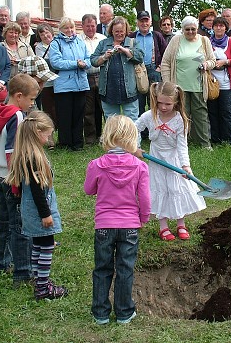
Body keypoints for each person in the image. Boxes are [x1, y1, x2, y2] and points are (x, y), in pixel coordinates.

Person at [84, 114, 151, 325]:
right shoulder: (140, 166)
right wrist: (144, 218)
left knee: (102, 268)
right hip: (130, 226)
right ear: (133, 138)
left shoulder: (96, 164)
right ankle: (124, 312)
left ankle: (100, 313)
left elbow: (88, 190)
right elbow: (145, 198)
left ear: (107, 135)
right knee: (125, 268)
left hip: (104, 225)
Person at [0, 74, 40, 288]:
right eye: (32, 99)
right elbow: (12, 152)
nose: (32, 103)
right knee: (20, 226)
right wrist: (18, 182)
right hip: (13, 178)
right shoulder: (17, 117)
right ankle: (23, 272)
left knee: (1, 222)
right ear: (18, 96)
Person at [6, 110, 67, 300]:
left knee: (38, 244)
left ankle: (38, 278)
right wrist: (46, 214)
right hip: (39, 210)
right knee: (46, 245)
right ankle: (43, 288)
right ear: (37, 133)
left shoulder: (27, 154)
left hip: (29, 210)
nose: (49, 137)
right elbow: (38, 191)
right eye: (47, 134)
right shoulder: (34, 159)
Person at [135, 81, 206, 240]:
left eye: (168, 103)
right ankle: (163, 226)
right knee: (160, 188)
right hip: (156, 158)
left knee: (176, 189)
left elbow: (182, 146)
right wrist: (136, 148)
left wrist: (185, 165)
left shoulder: (180, 120)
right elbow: (134, 128)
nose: (163, 107)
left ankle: (181, 223)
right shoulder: (149, 116)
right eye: (160, 102)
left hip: (173, 160)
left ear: (176, 102)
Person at [160, 16, 216, 149]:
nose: (190, 32)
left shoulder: (204, 40)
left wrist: (206, 64)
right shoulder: (176, 40)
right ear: (182, 29)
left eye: (193, 29)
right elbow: (165, 63)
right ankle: (180, 143)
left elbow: (213, 60)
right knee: (180, 115)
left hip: (198, 85)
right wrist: (168, 85)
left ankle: (204, 144)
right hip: (179, 87)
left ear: (197, 29)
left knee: (201, 115)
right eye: (187, 29)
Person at [48, 17, 90, 151]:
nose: (69, 30)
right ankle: (65, 143)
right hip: (64, 85)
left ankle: (78, 143)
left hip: (81, 84)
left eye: (71, 27)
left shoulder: (80, 42)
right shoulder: (56, 43)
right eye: (66, 28)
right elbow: (56, 62)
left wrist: (85, 63)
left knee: (79, 114)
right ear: (61, 30)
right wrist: (75, 64)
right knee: (65, 115)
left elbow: (89, 59)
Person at [90, 16, 143, 122]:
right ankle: (114, 139)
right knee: (111, 121)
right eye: (116, 31)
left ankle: (133, 139)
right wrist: (104, 57)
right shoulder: (103, 43)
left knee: (132, 120)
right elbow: (93, 60)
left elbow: (140, 57)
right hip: (109, 89)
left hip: (129, 90)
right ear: (111, 31)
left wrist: (125, 51)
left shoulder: (132, 42)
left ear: (126, 30)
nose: (119, 34)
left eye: (121, 31)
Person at [129, 10, 167, 121]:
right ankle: (142, 130)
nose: (144, 23)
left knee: (154, 101)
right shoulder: (132, 36)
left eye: (146, 21)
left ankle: (154, 127)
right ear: (137, 22)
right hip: (138, 70)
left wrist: (160, 67)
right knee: (139, 102)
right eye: (142, 21)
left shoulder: (157, 36)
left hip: (153, 69)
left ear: (150, 21)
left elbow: (166, 53)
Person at [207, 16, 231, 145]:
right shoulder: (207, 42)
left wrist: (226, 61)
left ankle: (230, 139)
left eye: (221, 26)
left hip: (226, 82)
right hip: (211, 82)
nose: (219, 28)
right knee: (213, 111)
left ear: (226, 28)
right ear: (213, 27)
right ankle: (216, 139)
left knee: (226, 111)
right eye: (216, 25)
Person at [79, 14, 105, 145]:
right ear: (82, 26)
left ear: (96, 25)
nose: (90, 28)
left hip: (101, 76)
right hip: (85, 76)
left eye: (93, 26)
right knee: (88, 109)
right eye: (87, 26)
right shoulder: (78, 40)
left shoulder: (102, 39)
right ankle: (90, 138)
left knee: (102, 107)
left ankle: (102, 136)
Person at [34, 23, 58, 123]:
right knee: (48, 109)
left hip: (58, 81)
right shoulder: (38, 47)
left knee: (58, 108)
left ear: (51, 33)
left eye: (47, 32)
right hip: (46, 82)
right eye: (42, 34)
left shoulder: (58, 43)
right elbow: (43, 63)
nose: (45, 35)